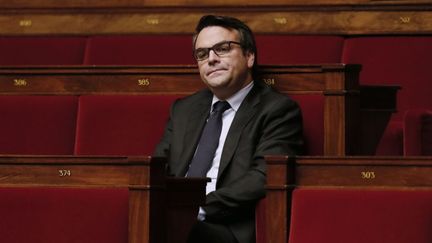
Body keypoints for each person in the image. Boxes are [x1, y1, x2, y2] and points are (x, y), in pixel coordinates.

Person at [154, 15, 304, 243]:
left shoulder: (277, 110)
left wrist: (193, 208)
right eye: (202, 54)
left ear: (249, 56)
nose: (211, 59)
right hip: (172, 219)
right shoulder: (184, 109)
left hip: (227, 228)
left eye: (222, 49)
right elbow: (156, 167)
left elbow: (264, 177)